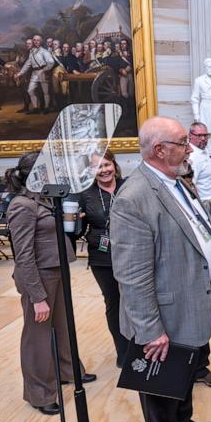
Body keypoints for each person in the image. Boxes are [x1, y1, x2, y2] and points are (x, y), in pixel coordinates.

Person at [110, 116, 211, 422]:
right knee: (161, 386)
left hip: (187, 302)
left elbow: (189, 222)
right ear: (159, 150)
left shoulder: (174, 182)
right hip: (162, 313)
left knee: (181, 375)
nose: (191, 149)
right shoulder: (134, 198)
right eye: (184, 143)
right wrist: (150, 330)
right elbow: (132, 275)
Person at [4, 152, 94, 415]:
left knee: (63, 326)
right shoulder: (21, 205)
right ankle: (40, 393)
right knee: (38, 337)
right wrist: (37, 296)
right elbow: (23, 255)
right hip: (39, 276)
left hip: (57, 271)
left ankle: (67, 371)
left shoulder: (44, 199)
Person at [77, 151, 130, 368]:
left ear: (114, 165)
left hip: (133, 253)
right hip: (102, 256)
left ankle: (144, 345)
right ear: (90, 171)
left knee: (137, 300)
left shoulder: (129, 186)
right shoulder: (85, 195)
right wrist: (73, 222)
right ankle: (124, 352)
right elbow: (76, 232)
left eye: (107, 164)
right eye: (98, 167)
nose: (104, 170)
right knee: (114, 303)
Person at [15, 34, 55, 115]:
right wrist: (20, 73)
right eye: (34, 40)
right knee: (30, 90)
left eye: (38, 40)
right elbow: (27, 64)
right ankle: (35, 108)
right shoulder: (32, 52)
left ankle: (46, 108)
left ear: (41, 41)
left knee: (45, 92)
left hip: (43, 73)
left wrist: (44, 70)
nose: (36, 42)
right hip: (35, 73)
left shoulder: (45, 52)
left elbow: (51, 63)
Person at [186, 121, 211, 201]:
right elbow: (190, 187)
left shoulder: (202, 151)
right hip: (207, 205)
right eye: (199, 135)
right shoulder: (193, 156)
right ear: (190, 136)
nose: (203, 138)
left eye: (205, 135)